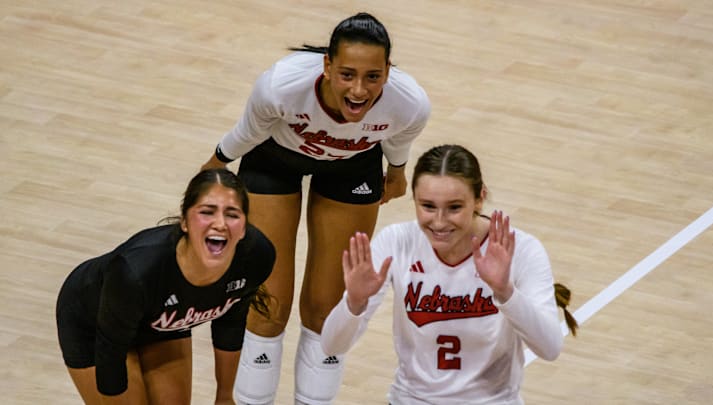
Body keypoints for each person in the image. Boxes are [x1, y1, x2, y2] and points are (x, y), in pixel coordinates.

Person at [200, 11, 431, 405]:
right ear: (327, 65)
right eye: (347, 75)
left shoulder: (410, 104)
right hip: (274, 161)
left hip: (351, 168)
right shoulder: (280, 87)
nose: (359, 90)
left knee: (327, 309)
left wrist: (396, 172)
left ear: (388, 71)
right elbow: (246, 134)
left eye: (372, 77)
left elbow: (396, 135)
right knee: (269, 302)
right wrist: (215, 166)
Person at [321, 144, 578, 404]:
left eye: (454, 207)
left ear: (480, 198)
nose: (440, 222)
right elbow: (331, 347)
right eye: (428, 206)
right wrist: (353, 304)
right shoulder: (396, 243)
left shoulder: (521, 249)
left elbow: (550, 348)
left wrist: (506, 292)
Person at [56, 168, 276, 405]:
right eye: (207, 212)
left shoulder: (255, 257)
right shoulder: (136, 272)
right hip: (93, 321)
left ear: (244, 227)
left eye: (232, 214)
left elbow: (231, 321)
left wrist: (224, 396)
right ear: (184, 221)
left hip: (161, 321)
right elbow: (111, 358)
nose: (220, 223)